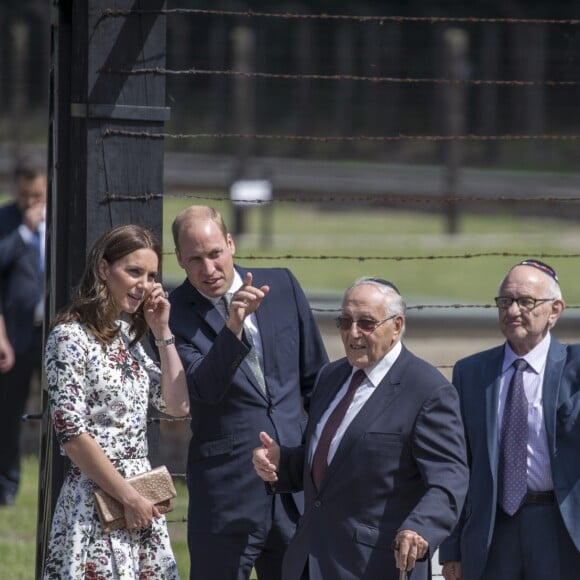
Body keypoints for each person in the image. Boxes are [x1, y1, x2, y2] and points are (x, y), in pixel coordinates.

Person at [253, 276, 468, 580]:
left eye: (366, 322)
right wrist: (281, 462)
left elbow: (448, 480)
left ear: (396, 326)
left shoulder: (427, 391)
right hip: (308, 562)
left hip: (372, 565)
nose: (352, 333)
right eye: (344, 321)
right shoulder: (331, 377)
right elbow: (332, 462)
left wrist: (420, 527)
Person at [168, 205, 329, 580]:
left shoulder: (283, 286)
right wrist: (233, 327)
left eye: (214, 254)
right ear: (178, 259)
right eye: (194, 260)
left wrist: (314, 464)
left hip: (294, 488)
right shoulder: (171, 315)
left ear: (230, 243)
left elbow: (316, 383)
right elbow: (202, 390)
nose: (208, 269)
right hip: (226, 495)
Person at [43, 224, 190, 579]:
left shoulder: (128, 337)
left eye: (151, 275)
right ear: (104, 269)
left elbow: (177, 405)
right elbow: (73, 435)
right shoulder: (69, 337)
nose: (144, 284)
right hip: (97, 500)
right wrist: (128, 497)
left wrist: (162, 332)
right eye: (133, 271)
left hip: (140, 499)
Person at [440, 259, 580, 580]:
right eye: (505, 301)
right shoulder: (471, 373)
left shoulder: (575, 367)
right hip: (493, 531)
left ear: (555, 310)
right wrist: (452, 548)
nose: (513, 310)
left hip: (559, 527)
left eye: (526, 301)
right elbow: (459, 463)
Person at [0, 155, 47, 506]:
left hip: (50, 332)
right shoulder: (7, 221)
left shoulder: (59, 216)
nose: (32, 202)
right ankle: (8, 486)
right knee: (9, 412)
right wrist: (24, 231)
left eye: (38, 195)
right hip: (15, 334)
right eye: (26, 195)